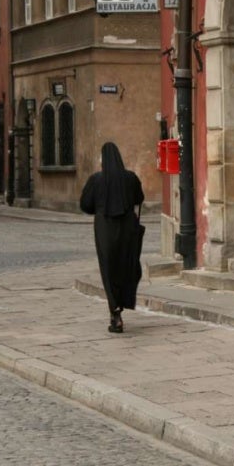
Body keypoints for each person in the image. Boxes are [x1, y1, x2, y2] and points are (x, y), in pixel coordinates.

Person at [80, 142, 144, 333]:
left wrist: (101, 207)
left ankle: (115, 312)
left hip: (105, 229)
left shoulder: (96, 180)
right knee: (126, 266)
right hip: (127, 227)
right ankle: (124, 300)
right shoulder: (130, 178)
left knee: (108, 270)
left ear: (103, 161)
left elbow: (85, 204)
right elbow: (139, 198)